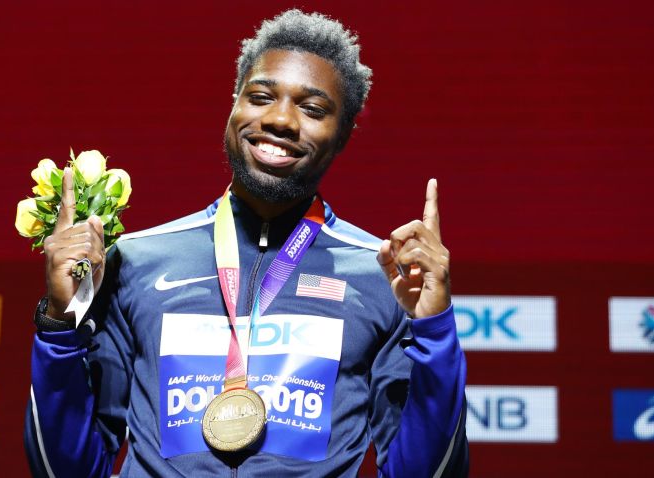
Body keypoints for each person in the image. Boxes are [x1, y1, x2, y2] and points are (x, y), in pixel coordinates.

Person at [24, 9, 468, 478]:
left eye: (313, 109)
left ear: (342, 135)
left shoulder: (382, 276)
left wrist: (435, 330)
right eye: (259, 97)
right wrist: (59, 325)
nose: (280, 119)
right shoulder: (136, 261)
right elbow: (63, 469)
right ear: (234, 105)